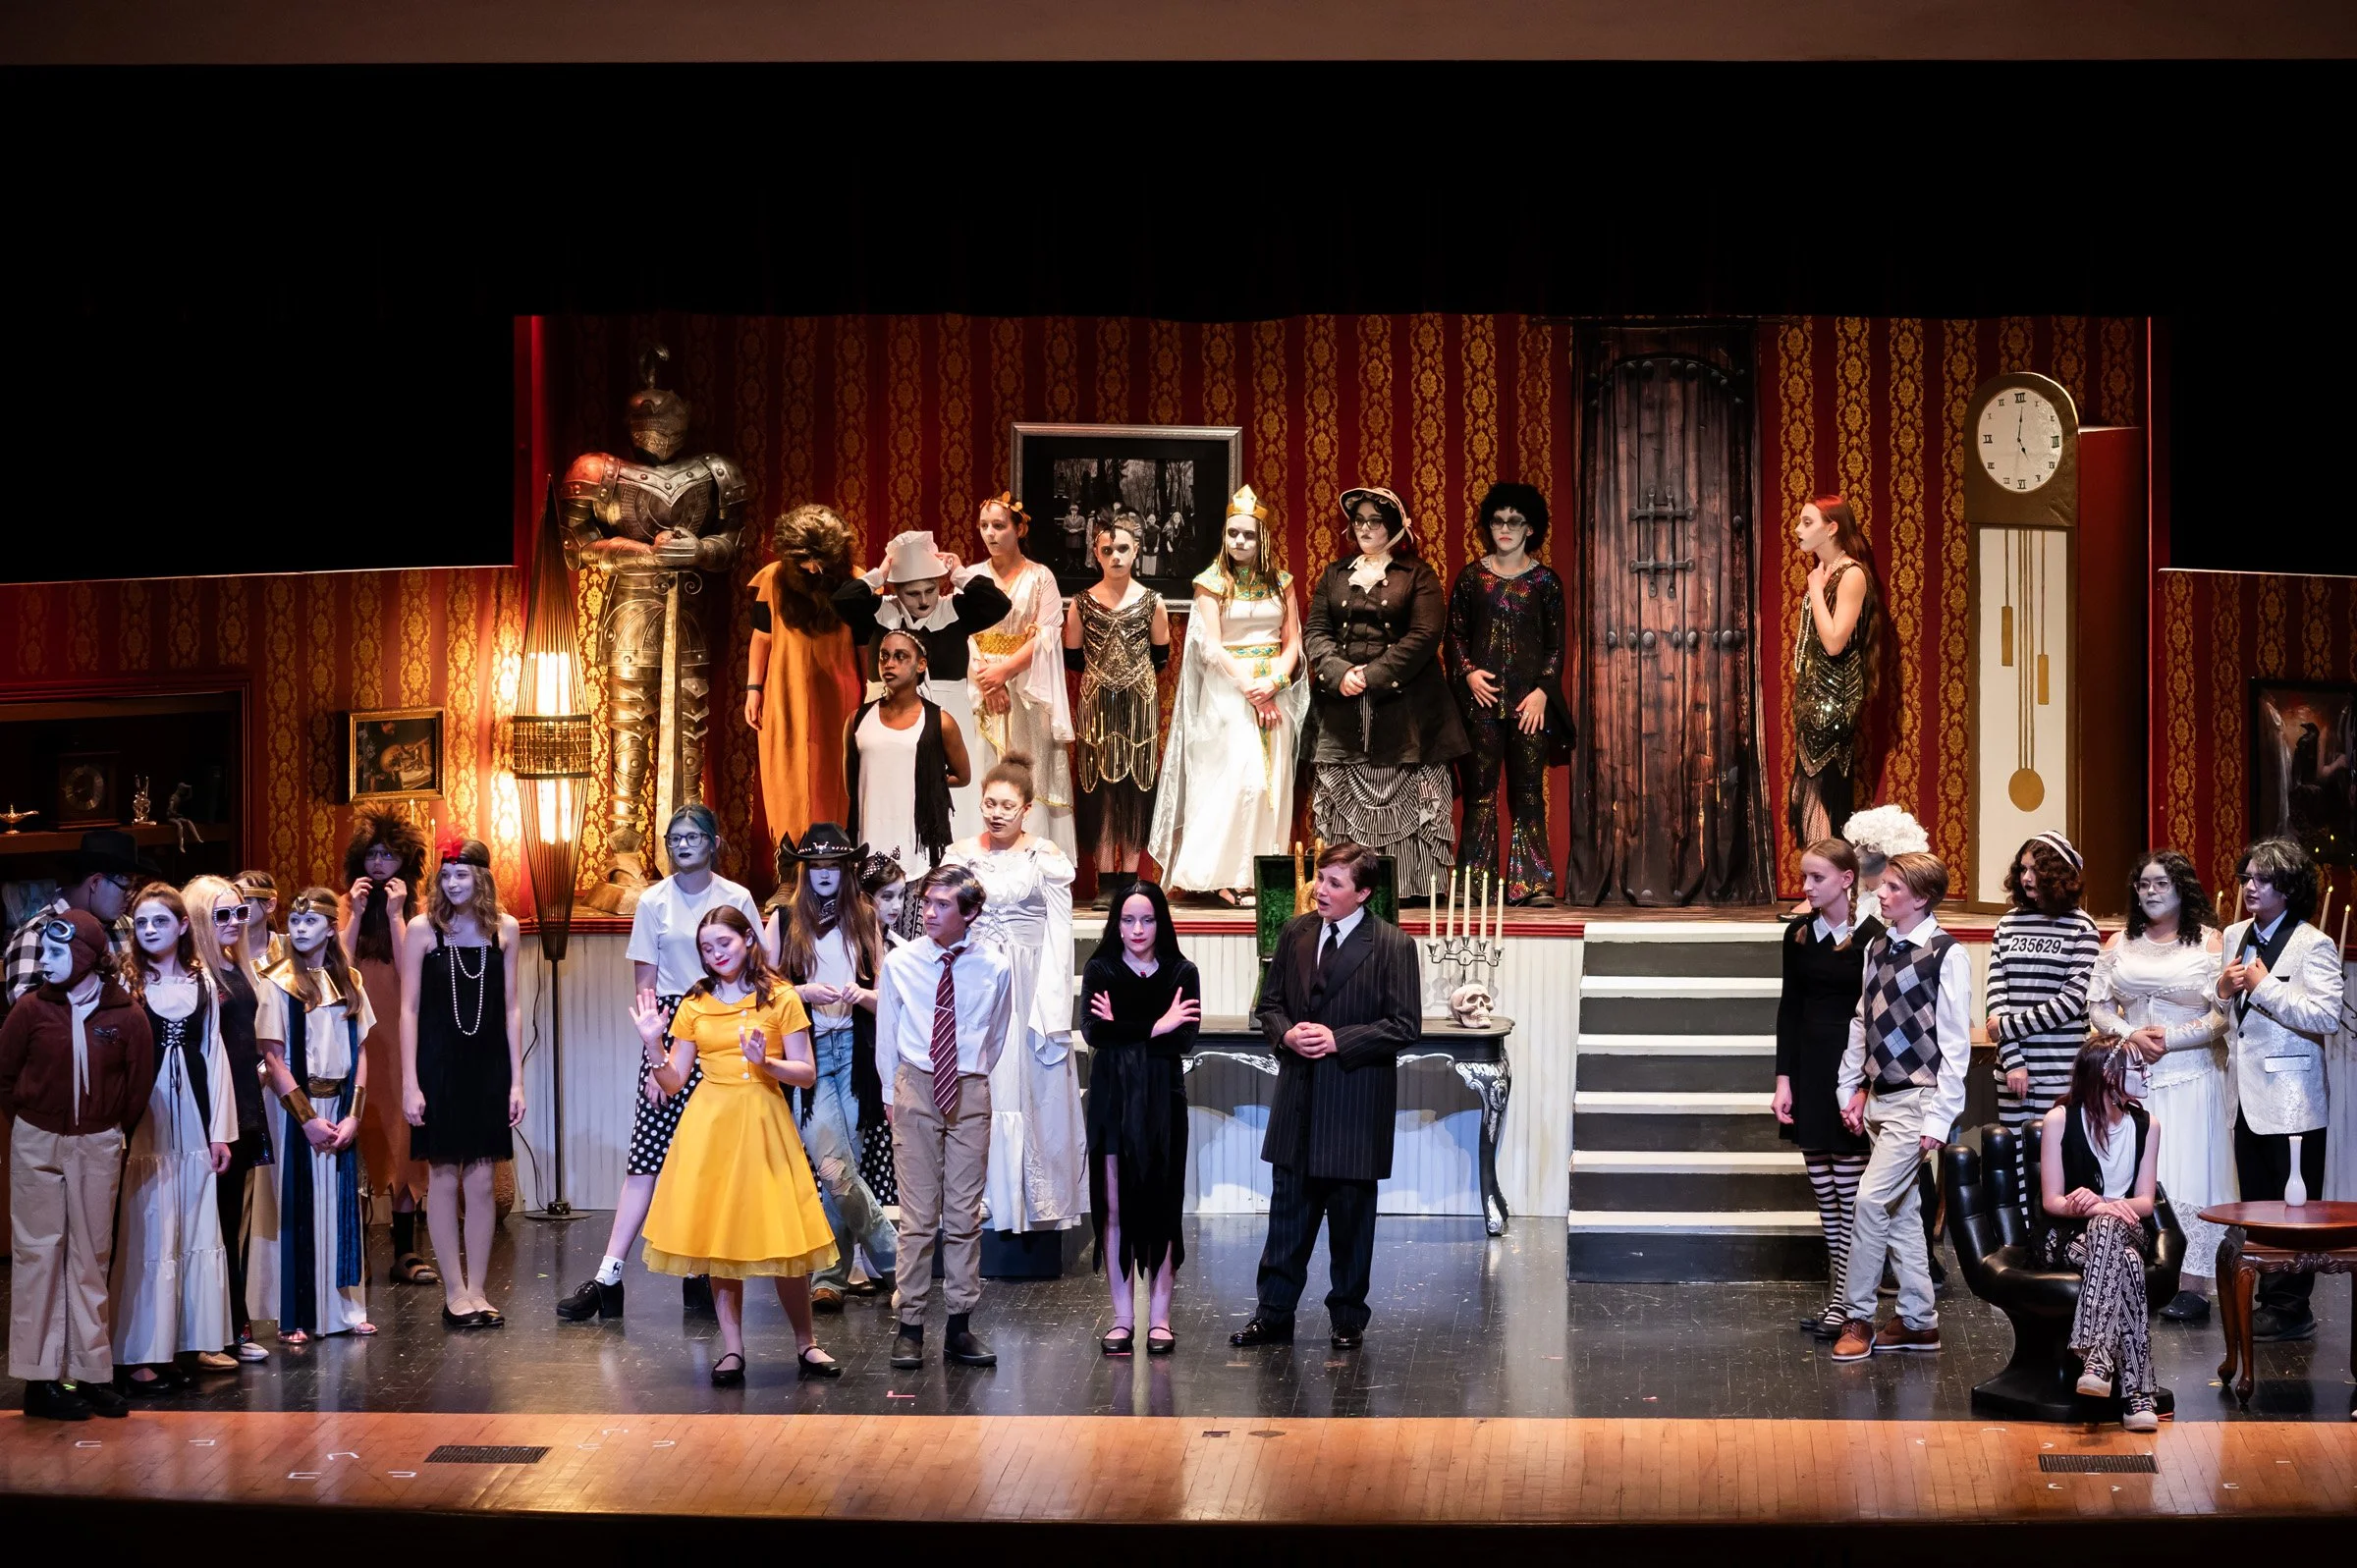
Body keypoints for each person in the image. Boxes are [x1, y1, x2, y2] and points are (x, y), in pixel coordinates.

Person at [557, 804, 761, 1322]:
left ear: (713, 842)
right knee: (648, 1155)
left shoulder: (735, 897)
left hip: (727, 1022)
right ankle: (609, 1276)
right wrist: (655, 1060)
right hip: (672, 1025)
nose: (683, 844)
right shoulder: (653, 901)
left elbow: (759, 968)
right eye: (674, 837)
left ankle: (701, 1274)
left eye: (694, 835)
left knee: (711, 1158)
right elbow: (645, 988)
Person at [633, 907, 842, 1384]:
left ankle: (805, 1344)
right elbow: (672, 1081)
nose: (715, 954)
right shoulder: (695, 1002)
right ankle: (732, 1350)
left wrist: (764, 1061)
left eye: (723, 943)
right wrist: (653, 1046)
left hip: (764, 1121)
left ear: (749, 939)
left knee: (782, 1233)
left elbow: (806, 1072)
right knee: (720, 1238)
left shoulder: (781, 998)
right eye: (706, 948)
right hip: (711, 1125)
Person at [1232, 841, 1421, 1351]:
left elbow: (1404, 1025)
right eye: (1321, 879)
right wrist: (1285, 1034)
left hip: (1354, 1105)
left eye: (1335, 883)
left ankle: (1347, 1318)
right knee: (1287, 1219)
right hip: (1298, 1102)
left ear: (1362, 893)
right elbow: (1269, 1005)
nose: (1321, 890)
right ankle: (1273, 1315)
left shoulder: (1392, 946)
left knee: (1350, 1224)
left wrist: (1341, 1040)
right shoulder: (1295, 932)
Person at [1, 909, 154, 1420]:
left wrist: (104, 1129)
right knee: (38, 1256)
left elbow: (136, 1091)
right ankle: (40, 1380)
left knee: (91, 1258)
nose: (44, 962)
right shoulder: (30, 1011)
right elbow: (5, 1074)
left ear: (87, 957)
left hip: (97, 1142)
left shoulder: (125, 1016)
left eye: (56, 953)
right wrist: (33, 1120)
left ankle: (88, 1374)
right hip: (37, 1141)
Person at [1831, 850, 1968, 1363]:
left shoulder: (1945, 953)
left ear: (1921, 897)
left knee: (1868, 1202)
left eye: (1891, 887)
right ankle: (1919, 1320)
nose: (1881, 894)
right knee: (1904, 1213)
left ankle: (1858, 1315)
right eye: (1882, 885)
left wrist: (1941, 1116)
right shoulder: (1879, 946)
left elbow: (1953, 1045)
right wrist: (1851, 1087)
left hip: (1918, 1100)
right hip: (1881, 1100)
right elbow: (1864, 1021)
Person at [875, 864, 1014, 1371]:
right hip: (915, 1083)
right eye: (926, 903)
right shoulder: (902, 963)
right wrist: (893, 1091)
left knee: (963, 1215)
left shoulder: (995, 966)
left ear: (969, 913)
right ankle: (909, 1324)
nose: (928, 912)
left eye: (941, 905)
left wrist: (970, 1076)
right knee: (917, 1218)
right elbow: (887, 1031)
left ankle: (959, 1325)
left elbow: (995, 1033)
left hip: (968, 1086)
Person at [1302, 488, 1468, 901]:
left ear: (1394, 526)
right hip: (1341, 710)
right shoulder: (1335, 574)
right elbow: (1316, 631)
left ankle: (1412, 890)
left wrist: (1372, 675)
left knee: (1413, 797)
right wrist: (1339, 673)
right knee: (1341, 801)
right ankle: (1343, 888)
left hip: (1408, 711)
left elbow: (1425, 635)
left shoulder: (1418, 576)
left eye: (1374, 521)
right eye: (1358, 520)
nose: (1364, 528)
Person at [945, 754, 1085, 1241]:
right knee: (977, 1085)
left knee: (1025, 1086)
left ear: (1026, 808)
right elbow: (946, 925)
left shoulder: (1044, 856)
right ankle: (978, 1200)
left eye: (1007, 805)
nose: (996, 813)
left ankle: (1026, 1203)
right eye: (989, 803)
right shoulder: (960, 854)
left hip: (1027, 982)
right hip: (976, 981)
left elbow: (1060, 931)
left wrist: (1052, 1007)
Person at [2088, 849, 2231, 1323]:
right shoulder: (2120, 942)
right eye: (2143, 884)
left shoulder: (2210, 944)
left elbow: (2220, 1016)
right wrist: (2132, 1035)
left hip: (2191, 1073)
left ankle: (2193, 1284)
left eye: (2160, 885)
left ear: (2182, 890)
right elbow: (2099, 1008)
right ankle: (2137, 1274)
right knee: (2135, 1172)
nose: (2149, 893)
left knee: (2188, 1171)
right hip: (2132, 1075)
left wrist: (2168, 1039)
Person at [1148, 484, 1307, 904]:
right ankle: (1224, 874)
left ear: (1263, 537)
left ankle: (1261, 874)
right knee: (1241, 781)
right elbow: (1212, 646)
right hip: (1228, 690)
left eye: (1248, 534)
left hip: (1274, 687)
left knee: (1274, 783)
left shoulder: (1283, 582)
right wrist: (1251, 689)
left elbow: (1293, 642)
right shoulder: (1210, 582)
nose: (1240, 541)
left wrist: (1274, 682)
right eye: (1233, 533)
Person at [111, 886, 237, 1390]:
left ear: (183, 925)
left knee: (192, 1225)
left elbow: (216, 1054)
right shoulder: (127, 981)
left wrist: (220, 1133)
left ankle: (181, 1344)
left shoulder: (203, 982)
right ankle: (141, 1353)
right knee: (149, 1227)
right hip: (147, 1119)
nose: (148, 932)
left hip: (194, 1115)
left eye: (158, 922)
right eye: (141, 923)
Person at [2218, 836, 2342, 1342]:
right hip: (2244, 1093)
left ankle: (2292, 1308)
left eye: (2262, 879)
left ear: (2287, 889)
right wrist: (2223, 990)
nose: (2250, 886)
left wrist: (2264, 985)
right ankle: (2266, 1292)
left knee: (2296, 1206)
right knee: (2258, 1201)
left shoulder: (2315, 944)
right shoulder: (2233, 934)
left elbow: (2325, 1015)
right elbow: (2229, 1014)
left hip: (2293, 1095)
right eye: (2247, 876)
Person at [769, 823, 897, 1313]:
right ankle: (895, 1261)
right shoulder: (782, 919)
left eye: (832, 865)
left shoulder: (866, 917)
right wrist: (802, 993)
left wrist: (861, 996)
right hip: (811, 1056)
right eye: (814, 865)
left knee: (845, 1168)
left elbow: (887, 995)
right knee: (833, 1166)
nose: (823, 874)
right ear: (805, 870)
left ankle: (831, 1276)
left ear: (845, 869)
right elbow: (766, 991)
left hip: (857, 1054)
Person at [400, 838, 523, 1329]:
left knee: (481, 1180)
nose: (452, 884)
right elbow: (407, 1010)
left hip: (487, 1065)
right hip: (438, 1065)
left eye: (461, 875)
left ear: (482, 878)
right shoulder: (422, 930)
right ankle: (453, 1292)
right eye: (445, 875)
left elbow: (513, 1008)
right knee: (444, 1174)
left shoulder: (505, 931)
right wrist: (410, 1082)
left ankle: (478, 1290)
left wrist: (517, 1082)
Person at [249, 888, 374, 1343]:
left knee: (340, 1209)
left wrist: (354, 1115)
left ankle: (345, 1309)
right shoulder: (277, 981)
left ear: (330, 927)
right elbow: (274, 1058)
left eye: (310, 922)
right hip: (295, 1110)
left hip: (339, 1105)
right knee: (298, 1206)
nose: (299, 930)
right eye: (295, 922)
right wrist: (306, 1119)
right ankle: (296, 1314)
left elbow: (362, 1052)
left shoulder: (350, 981)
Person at [1080, 880, 1199, 1355]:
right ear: (1116, 923)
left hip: (1162, 1104)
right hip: (1112, 1102)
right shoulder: (1100, 968)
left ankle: (1161, 1320)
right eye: (1128, 919)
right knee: (1113, 1209)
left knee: (1162, 1209)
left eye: (1146, 919)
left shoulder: (1180, 971)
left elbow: (1182, 1040)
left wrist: (1127, 1028)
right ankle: (1123, 1318)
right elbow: (1095, 1033)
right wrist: (1155, 1025)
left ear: (1160, 922)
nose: (1136, 929)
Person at [836, 529, 1013, 844]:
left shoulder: (953, 610)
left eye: (930, 590)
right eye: (913, 593)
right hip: (888, 713)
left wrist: (959, 574)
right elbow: (843, 601)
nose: (924, 600)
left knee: (949, 796)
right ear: (897, 589)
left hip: (947, 714)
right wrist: (879, 575)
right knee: (889, 790)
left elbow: (997, 603)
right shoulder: (880, 612)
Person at [1772, 839, 1881, 1339]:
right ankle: (1838, 1295)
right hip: (1810, 1072)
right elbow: (1789, 1009)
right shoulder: (1798, 934)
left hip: (1851, 1073)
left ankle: (1851, 1300)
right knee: (1825, 1196)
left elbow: (1880, 1019)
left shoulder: (1874, 937)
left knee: (1850, 1193)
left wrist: (1863, 1085)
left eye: (1816, 878)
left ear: (1846, 879)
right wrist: (1783, 1080)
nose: (1806, 887)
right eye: (1805, 877)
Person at [1447, 481, 1572, 907]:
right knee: (1481, 794)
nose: (1505, 528)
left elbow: (1557, 647)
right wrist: (1467, 675)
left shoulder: (1545, 583)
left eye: (1514, 521)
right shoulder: (1471, 578)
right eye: (1498, 521)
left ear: (1530, 529)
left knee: (1528, 792)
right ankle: (1475, 886)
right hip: (1481, 704)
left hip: (1528, 707)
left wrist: (1542, 692)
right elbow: (1455, 637)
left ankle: (1532, 883)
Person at [2039, 1040, 2165, 1433]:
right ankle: (2136, 1393)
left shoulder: (2148, 1125)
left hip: (2126, 1227)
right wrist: (2098, 1208)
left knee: (2110, 1227)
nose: (2146, 1075)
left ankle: (2095, 1353)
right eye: (2137, 1069)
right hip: (2066, 1235)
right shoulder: (2060, 1119)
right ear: (2109, 1076)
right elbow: (2053, 1202)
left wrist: (2104, 1204)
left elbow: (2144, 1201)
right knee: (2125, 1260)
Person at [338, 808, 435, 1288]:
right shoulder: (344, 905)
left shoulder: (415, 914)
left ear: (405, 860)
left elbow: (410, 968)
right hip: (353, 1033)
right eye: (373, 854)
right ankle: (355, 1251)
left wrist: (396, 915)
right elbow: (335, 966)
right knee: (359, 1131)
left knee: (401, 1136)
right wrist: (355, 915)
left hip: (398, 1036)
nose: (379, 863)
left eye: (389, 854)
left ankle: (405, 1250)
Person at [186, 874, 278, 1363]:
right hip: (209, 1110)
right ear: (200, 918)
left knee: (230, 1221)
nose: (234, 922)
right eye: (222, 914)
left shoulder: (234, 966)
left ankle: (232, 1327)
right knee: (211, 1223)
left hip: (242, 1101)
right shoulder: (197, 973)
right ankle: (213, 1334)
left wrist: (261, 1070)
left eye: (240, 912)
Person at [1064, 514, 1171, 904]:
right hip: (1096, 705)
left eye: (1123, 549)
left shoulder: (1152, 602)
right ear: (1096, 553)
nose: (1115, 556)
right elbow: (1072, 656)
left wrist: (1128, 680)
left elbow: (1161, 656)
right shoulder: (1081, 604)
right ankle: (1107, 881)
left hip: (1139, 703)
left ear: (1137, 551)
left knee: (1135, 789)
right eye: (1107, 550)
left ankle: (1131, 879)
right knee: (1103, 791)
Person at [745, 502, 865, 846]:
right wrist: (754, 688)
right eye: (805, 561)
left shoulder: (855, 581)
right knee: (786, 776)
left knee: (835, 776)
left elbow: (863, 645)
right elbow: (762, 637)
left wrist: (871, 694)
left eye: (821, 560)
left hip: (839, 693)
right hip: (783, 692)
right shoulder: (774, 579)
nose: (813, 569)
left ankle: (834, 860)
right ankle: (789, 866)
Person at [968, 493, 1078, 859]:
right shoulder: (972, 577)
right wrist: (987, 681)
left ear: (1019, 529)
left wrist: (1003, 672)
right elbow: (963, 633)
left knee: (1030, 769)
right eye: (984, 526)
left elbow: (1048, 633)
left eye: (999, 526)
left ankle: (1034, 860)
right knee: (985, 764)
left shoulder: (1040, 576)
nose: (990, 534)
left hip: (1028, 688)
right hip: (980, 685)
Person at [1988, 833, 2104, 1172]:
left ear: (2059, 876)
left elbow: (2071, 1001)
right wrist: (2012, 1060)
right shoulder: (2007, 923)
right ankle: (2018, 1227)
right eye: (2023, 869)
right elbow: (1997, 993)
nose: (2026, 879)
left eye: (2037, 871)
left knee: (2057, 1164)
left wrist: (2006, 1027)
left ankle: (2053, 1228)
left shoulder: (2082, 928)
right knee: (2015, 1165)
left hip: (2061, 1070)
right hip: (2013, 1069)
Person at [1788, 495, 1888, 846]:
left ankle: (1828, 884)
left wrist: (1815, 589)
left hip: (1835, 697)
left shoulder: (1852, 574)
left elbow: (1833, 642)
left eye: (1807, 522)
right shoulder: (1825, 572)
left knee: (1822, 786)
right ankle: (1821, 883)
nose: (1798, 530)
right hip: (1813, 694)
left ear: (1832, 528)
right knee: (1811, 787)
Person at [848, 628, 974, 880]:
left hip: (918, 848)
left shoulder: (940, 721)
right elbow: (851, 783)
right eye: (884, 656)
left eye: (900, 656)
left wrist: (924, 779)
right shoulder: (858, 719)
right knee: (871, 914)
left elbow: (963, 775)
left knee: (914, 912)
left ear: (920, 665)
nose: (889, 664)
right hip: (868, 839)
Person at [2, 829, 147, 1010]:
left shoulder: (127, 928)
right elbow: (30, 1017)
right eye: (125, 888)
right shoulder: (35, 935)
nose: (130, 897)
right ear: (95, 883)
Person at [855, 850, 909, 1208]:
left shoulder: (902, 948)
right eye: (887, 896)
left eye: (901, 896)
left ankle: (879, 1254)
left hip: (889, 1055)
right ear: (867, 898)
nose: (896, 905)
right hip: (857, 1052)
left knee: (882, 1152)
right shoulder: (852, 946)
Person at [237, 870, 289, 969]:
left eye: (247, 901)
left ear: (270, 905)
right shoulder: (221, 952)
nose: (238, 908)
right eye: (236, 901)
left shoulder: (288, 948)